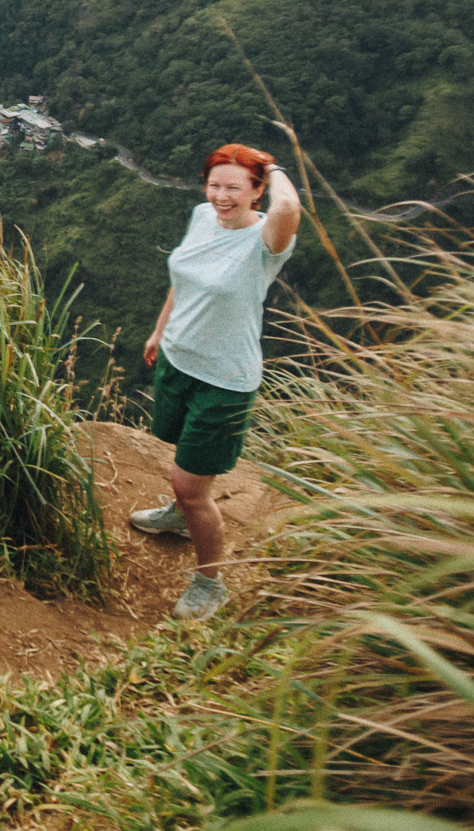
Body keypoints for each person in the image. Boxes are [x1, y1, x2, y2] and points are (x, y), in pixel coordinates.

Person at [128, 141, 299, 621]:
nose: (221, 197)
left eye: (235, 188)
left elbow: (289, 206)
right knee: (180, 452)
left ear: (258, 192)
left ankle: (210, 583)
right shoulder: (202, 216)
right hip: (178, 360)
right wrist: (159, 331)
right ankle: (181, 515)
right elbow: (183, 279)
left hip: (224, 379)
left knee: (191, 485)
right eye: (214, 185)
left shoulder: (267, 241)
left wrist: (270, 164)